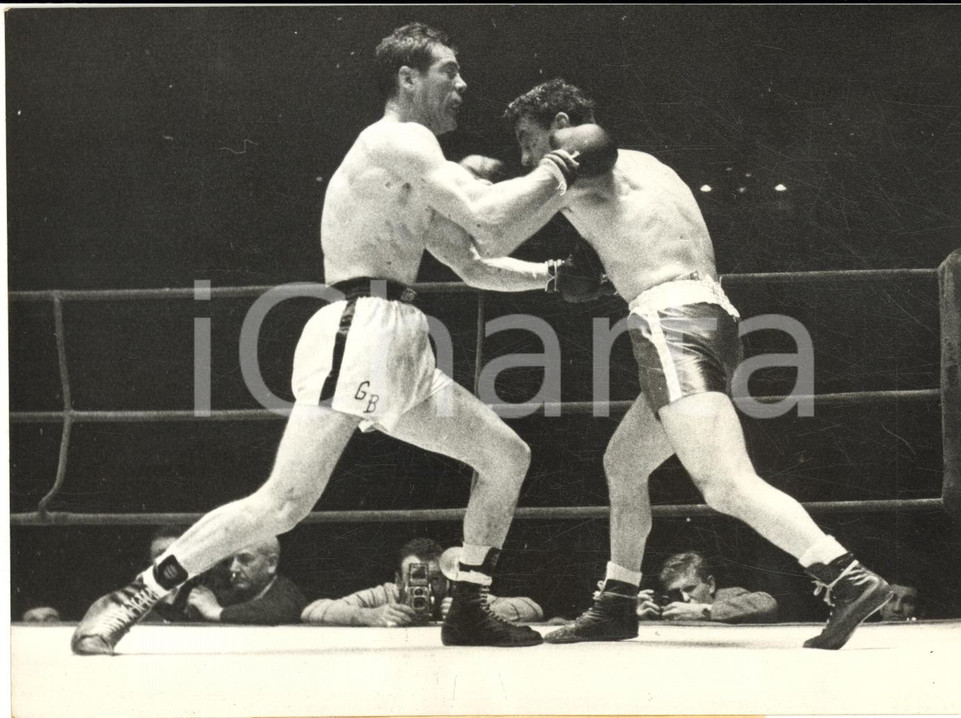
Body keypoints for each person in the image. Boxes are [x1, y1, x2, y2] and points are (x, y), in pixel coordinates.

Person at [71, 23, 611, 654]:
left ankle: (468, 606)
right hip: (361, 328)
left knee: (504, 455)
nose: (462, 85)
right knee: (284, 502)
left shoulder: (415, 167)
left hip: (404, 339)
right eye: (449, 71)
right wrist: (561, 165)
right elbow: (490, 216)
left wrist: (551, 278)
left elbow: (475, 260)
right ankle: (131, 596)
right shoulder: (397, 139)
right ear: (408, 79)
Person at [490, 79, 891, 650]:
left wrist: (469, 182)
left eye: (531, 140)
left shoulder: (578, 162)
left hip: (669, 320)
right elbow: (624, 235)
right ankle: (618, 601)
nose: (529, 158)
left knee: (724, 482)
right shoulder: (647, 166)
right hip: (715, 317)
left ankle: (844, 574)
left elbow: (497, 225)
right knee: (624, 463)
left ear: (562, 122)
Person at [301, 538, 543, 626]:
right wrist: (368, 615)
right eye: (415, 578)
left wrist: (474, 611)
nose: (424, 587)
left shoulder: (457, 593)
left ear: (447, 578)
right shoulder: (387, 595)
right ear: (397, 580)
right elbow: (313, 610)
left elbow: (532, 607)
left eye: (434, 578)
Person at [185, 537, 307, 625]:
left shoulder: (288, 595)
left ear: (271, 564)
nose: (233, 568)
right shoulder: (236, 593)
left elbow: (274, 610)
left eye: (245, 559)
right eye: (231, 561)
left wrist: (216, 612)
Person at [636, 551, 777, 624]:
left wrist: (704, 612)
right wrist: (642, 623)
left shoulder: (726, 596)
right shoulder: (669, 610)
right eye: (676, 592)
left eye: (690, 589)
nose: (684, 598)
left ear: (710, 585)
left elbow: (767, 603)